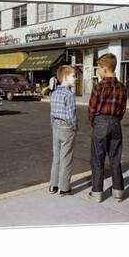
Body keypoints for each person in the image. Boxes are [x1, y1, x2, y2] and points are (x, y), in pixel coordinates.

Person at [88, 53, 128, 203]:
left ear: (104, 69)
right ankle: (118, 191)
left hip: (100, 123)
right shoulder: (122, 88)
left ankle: (97, 192)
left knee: (98, 159)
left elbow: (92, 109)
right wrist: (115, 120)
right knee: (115, 158)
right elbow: (123, 109)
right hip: (116, 124)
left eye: (98, 68)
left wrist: (94, 122)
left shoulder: (98, 87)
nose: (97, 71)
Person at [49, 65, 78, 196]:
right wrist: (75, 127)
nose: (76, 78)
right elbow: (70, 115)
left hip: (55, 126)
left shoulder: (54, 93)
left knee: (56, 157)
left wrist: (53, 125)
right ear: (66, 77)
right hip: (67, 127)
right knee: (66, 158)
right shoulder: (69, 94)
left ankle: (53, 185)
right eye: (73, 76)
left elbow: (51, 112)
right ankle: (64, 188)